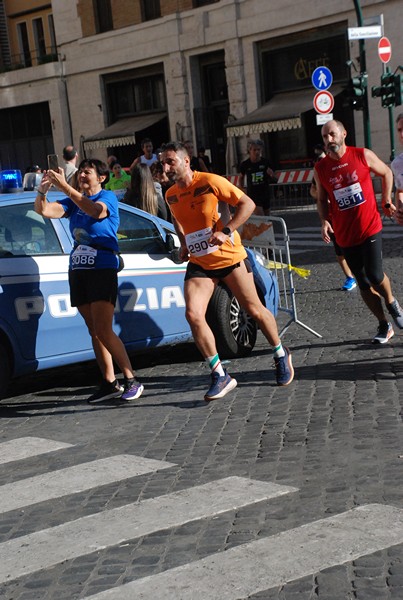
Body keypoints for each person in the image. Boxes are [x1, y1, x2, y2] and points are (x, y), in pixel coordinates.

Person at [160, 141, 294, 401]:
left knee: (254, 309)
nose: (165, 167)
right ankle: (220, 374)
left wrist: (226, 230)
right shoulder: (170, 194)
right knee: (193, 314)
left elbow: (248, 204)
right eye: (162, 162)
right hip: (200, 263)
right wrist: (185, 243)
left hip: (230, 259)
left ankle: (280, 353)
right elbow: (178, 221)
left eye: (170, 161)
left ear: (186, 161)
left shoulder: (210, 181)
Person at [34, 158, 144, 403]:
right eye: (80, 172)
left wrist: (66, 188)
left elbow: (96, 212)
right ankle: (109, 382)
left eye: (87, 172)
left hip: (102, 266)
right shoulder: (73, 203)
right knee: (94, 330)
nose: (82, 175)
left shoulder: (107, 198)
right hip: (79, 267)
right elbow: (44, 210)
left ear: (101, 178)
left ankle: (131, 379)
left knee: (104, 328)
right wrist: (43, 189)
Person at [314, 119, 403, 344]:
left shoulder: (362, 154)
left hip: (370, 227)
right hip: (345, 234)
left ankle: (392, 302)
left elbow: (386, 173)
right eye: (325, 137)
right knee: (362, 283)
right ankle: (384, 324)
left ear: (344, 134)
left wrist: (385, 199)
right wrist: (324, 220)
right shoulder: (321, 168)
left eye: (332, 134)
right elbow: (322, 199)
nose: (329, 140)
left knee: (374, 275)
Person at [309, 143, 357, 292]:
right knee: (339, 250)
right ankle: (350, 277)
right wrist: (322, 195)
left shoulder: (342, 166)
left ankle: (364, 272)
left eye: (324, 157)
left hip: (349, 213)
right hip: (332, 217)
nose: (322, 161)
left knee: (356, 245)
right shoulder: (319, 171)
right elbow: (313, 191)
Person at [239, 139, 277, 216]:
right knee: (262, 218)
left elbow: (275, 179)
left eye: (259, 150)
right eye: (254, 150)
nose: (257, 152)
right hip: (253, 195)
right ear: (250, 151)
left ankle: (266, 228)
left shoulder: (266, 162)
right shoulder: (245, 164)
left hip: (265, 193)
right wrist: (242, 188)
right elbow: (241, 177)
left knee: (267, 218)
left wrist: (272, 175)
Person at [391, 113, 403, 226]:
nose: (402, 134)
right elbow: (400, 190)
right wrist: (399, 210)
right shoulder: (397, 164)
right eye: (399, 130)